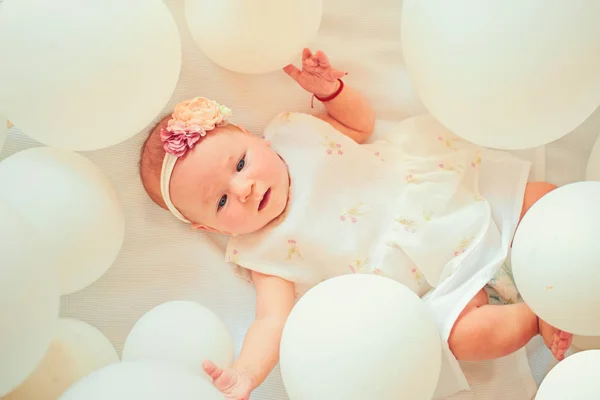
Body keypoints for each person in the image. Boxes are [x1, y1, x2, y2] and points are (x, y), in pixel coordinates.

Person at [139, 48, 572, 400]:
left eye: (240, 163)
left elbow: (357, 124)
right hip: (438, 288)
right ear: (211, 230)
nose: (245, 188)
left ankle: (560, 256)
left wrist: (333, 92)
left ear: (256, 139)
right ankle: (539, 314)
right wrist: (246, 373)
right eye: (220, 201)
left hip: (449, 207)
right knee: (468, 339)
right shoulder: (262, 253)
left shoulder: (293, 133)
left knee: (543, 198)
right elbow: (271, 323)